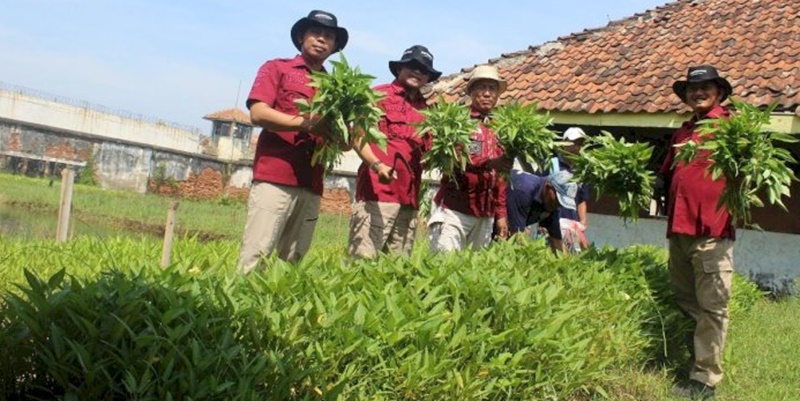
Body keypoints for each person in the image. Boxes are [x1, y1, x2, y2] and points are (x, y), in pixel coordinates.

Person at [237, 10, 349, 274]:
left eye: (329, 36)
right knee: (256, 253)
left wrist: (346, 127)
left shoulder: (337, 87)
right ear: (302, 37)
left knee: (292, 259)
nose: (322, 39)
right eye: (316, 33)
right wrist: (305, 123)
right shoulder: (277, 68)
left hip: (311, 182)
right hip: (275, 176)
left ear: (334, 47)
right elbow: (258, 113)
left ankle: (276, 310)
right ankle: (241, 310)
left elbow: (345, 143)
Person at [656, 65, 735, 400]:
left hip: (712, 231)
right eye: (692, 88)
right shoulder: (684, 131)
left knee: (713, 306)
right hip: (681, 229)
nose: (698, 93)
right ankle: (696, 361)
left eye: (705, 87)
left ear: (718, 92)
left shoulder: (730, 127)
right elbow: (667, 171)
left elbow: (749, 169)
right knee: (687, 300)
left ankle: (705, 379)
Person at [348, 45, 442, 258]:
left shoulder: (428, 111)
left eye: (424, 70)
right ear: (399, 69)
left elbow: (428, 155)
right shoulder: (377, 96)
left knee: (396, 269)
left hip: (409, 200)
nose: (418, 72)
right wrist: (377, 164)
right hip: (377, 194)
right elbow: (358, 136)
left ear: (428, 78)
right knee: (363, 263)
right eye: (412, 66)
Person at [428, 65, 510, 252]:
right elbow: (457, 159)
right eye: (482, 87)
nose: (487, 93)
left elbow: (501, 176)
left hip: (485, 213)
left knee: (473, 272)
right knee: (444, 267)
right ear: (471, 92)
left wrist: (501, 213)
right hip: (455, 209)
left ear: (498, 95)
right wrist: (490, 163)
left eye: (492, 88)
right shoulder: (458, 121)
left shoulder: (500, 128)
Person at [506, 169, 578, 254]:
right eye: (558, 200)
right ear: (548, 188)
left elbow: (557, 242)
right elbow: (517, 237)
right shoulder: (524, 191)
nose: (558, 206)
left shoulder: (552, 204)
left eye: (561, 204)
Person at [551, 127, 590, 252]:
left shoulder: (581, 169)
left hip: (572, 224)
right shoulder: (552, 165)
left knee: (572, 257)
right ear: (563, 145)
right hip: (553, 221)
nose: (576, 147)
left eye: (580, 144)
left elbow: (581, 198)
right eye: (573, 143)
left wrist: (583, 221)